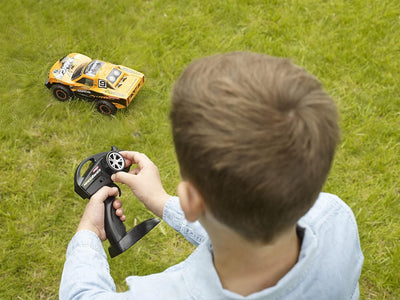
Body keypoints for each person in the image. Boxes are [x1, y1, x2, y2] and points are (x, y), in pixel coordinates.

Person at [60, 52, 364, 299]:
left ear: (191, 200)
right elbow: (251, 232)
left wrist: (88, 233)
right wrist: (161, 202)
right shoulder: (335, 217)